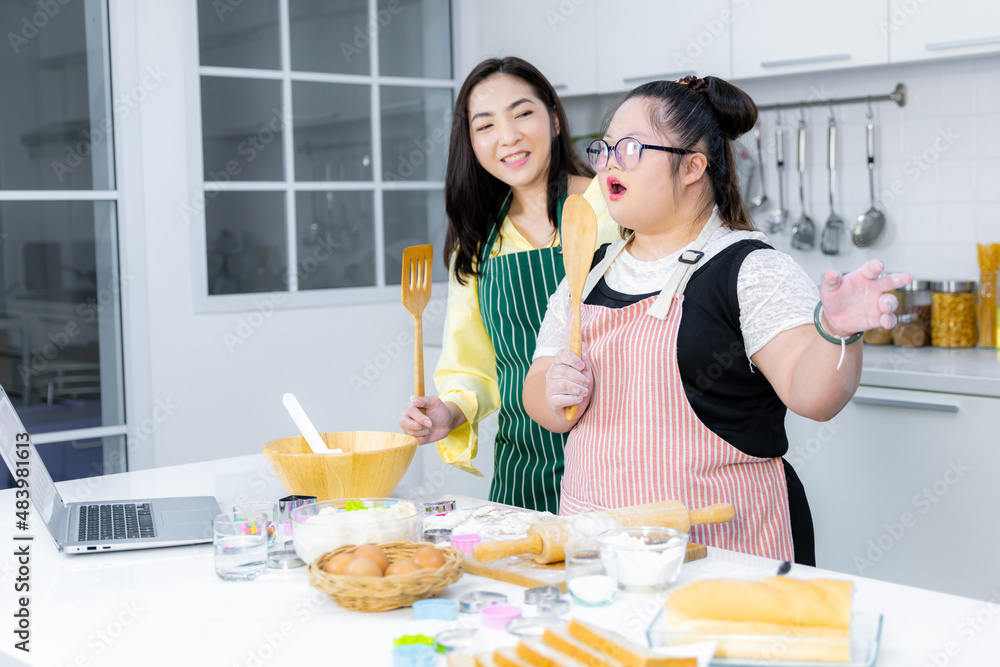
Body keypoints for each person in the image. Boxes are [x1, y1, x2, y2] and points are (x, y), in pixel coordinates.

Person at [522, 76, 910, 564]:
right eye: (605, 149)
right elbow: (538, 388)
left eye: (631, 148)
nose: (609, 163)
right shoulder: (585, 269)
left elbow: (814, 399)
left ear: (692, 166)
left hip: (725, 553)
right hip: (598, 548)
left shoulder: (751, 270)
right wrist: (553, 393)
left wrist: (837, 333)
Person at [398, 57, 620, 514]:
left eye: (522, 114)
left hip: (622, 459)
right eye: (485, 126)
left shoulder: (616, 206)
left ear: (554, 119)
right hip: (525, 471)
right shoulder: (479, 244)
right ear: (471, 143)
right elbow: (473, 365)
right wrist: (448, 412)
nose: (508, 136)